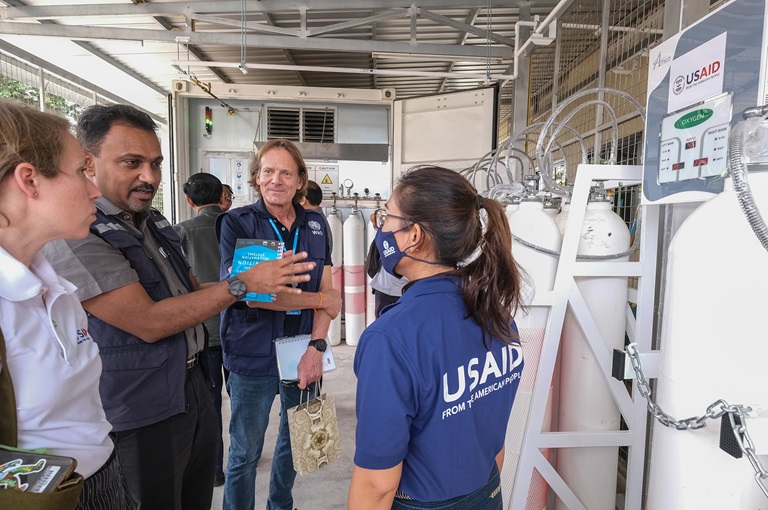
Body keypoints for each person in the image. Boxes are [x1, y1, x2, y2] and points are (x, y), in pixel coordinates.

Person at [42, 105, 315, 510]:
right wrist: (245, 285)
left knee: (196, 495)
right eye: (132, 163)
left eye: (155, 164)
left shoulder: (153, 223)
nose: (149, 177)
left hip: (193, 386)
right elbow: (149, 322)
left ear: (300, 181)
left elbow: (192, 292)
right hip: (140, 405)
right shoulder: (81, 233)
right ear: (88, 161)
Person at [348, 166, 526, 510]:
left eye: (386, 216)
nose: (381, 227)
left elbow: (376, 485)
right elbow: (493, 439)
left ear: (414, 235)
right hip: (487, 493)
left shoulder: (390, 339)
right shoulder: (499, 317)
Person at [0, 99, 134, 509]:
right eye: (81, 171)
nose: (94, 189)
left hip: (100, 480)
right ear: (30, 180)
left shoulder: (56, 288)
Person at [217, 139, 342, 510]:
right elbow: (253, 294)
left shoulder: (317, 225)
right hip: (251, 355)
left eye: (287, 172)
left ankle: (280, 506)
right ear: (256, 177)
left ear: (300, 180)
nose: (277, 180)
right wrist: (318, 301)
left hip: (303, 350)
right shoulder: (237, 223)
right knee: (245, 453)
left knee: (298, 442)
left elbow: (328, 287)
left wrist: (317, 348)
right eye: (268, 171)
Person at [173, 172, 228, 488]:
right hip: (238, 328)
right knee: (246, 400)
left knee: (209, 403)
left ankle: (216, 469)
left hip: (202, 332)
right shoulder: (238, 227)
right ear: (222, 197)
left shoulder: (179, 232)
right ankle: (241, 459)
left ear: (189, 200)